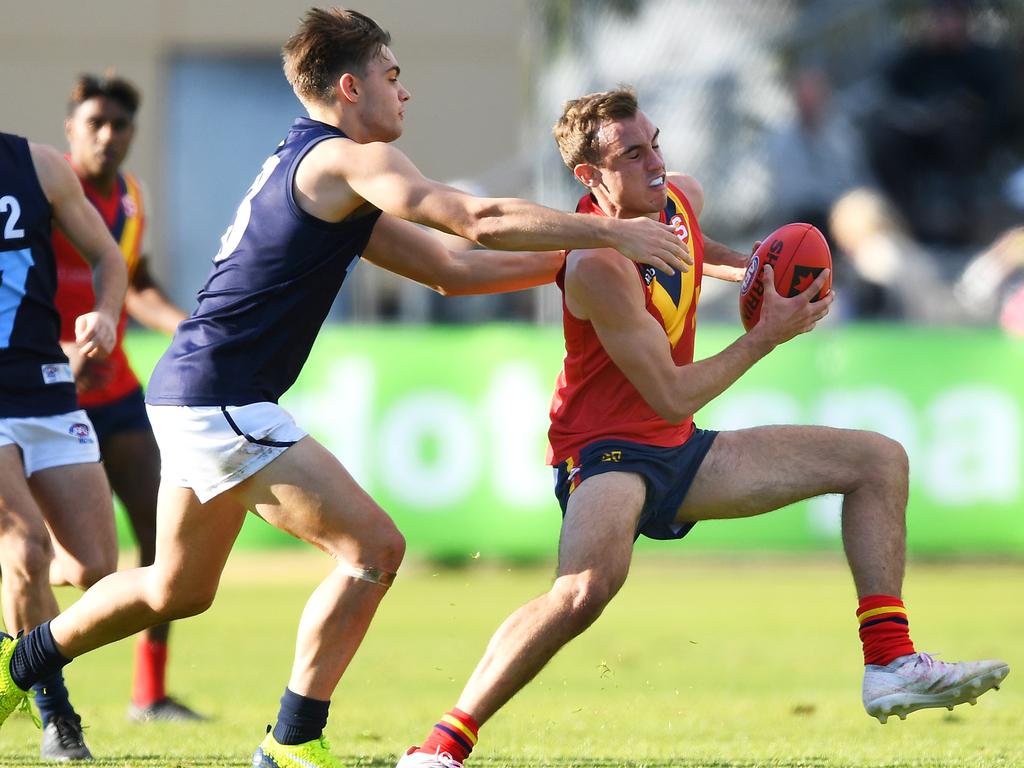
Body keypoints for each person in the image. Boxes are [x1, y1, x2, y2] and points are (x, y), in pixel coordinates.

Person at [0, 9, 689, 768]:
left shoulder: (327, 169)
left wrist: (568, 264)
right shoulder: (346, 161)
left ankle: (17, 663)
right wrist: (609, 231)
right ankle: (292, 741)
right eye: (393, 77)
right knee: (374, 549)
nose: (406, 93)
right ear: (351, 86)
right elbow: (474, 220)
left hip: (193, 389)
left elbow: (448, 271)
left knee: (175, 589)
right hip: (219, 396)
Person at [396, 87, 1011, 768]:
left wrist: (759, 274)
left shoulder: (676, 197)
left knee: (878, 461)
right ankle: (441, 748)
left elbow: (698, 248)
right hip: (607, 455)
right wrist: (764, 336)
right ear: (590, 177)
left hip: (678, 451)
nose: (656, 162)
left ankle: (890, 662)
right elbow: (668, 395)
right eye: (633, 154)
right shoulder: (597, 265)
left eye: (655, 142)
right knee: (581, 593)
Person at [51, 74, 203, 724]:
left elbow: (133, 280)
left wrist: (188, 326)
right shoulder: (44, 190)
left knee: (162, 539)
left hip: (115, 389)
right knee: (74, 563)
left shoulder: (131, 199)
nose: (108, 135)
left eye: (120, 125)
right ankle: (38, 683)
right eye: (96, 123)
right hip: (46, 392)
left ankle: (149, 693)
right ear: (71, 129)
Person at [0, 132, 127, 760]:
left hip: (48, 389)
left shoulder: (39, 166)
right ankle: (58, 718)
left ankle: (8, 651)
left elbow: (110, 256)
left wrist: (106, 313)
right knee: (24, 551)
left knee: (97, 574)